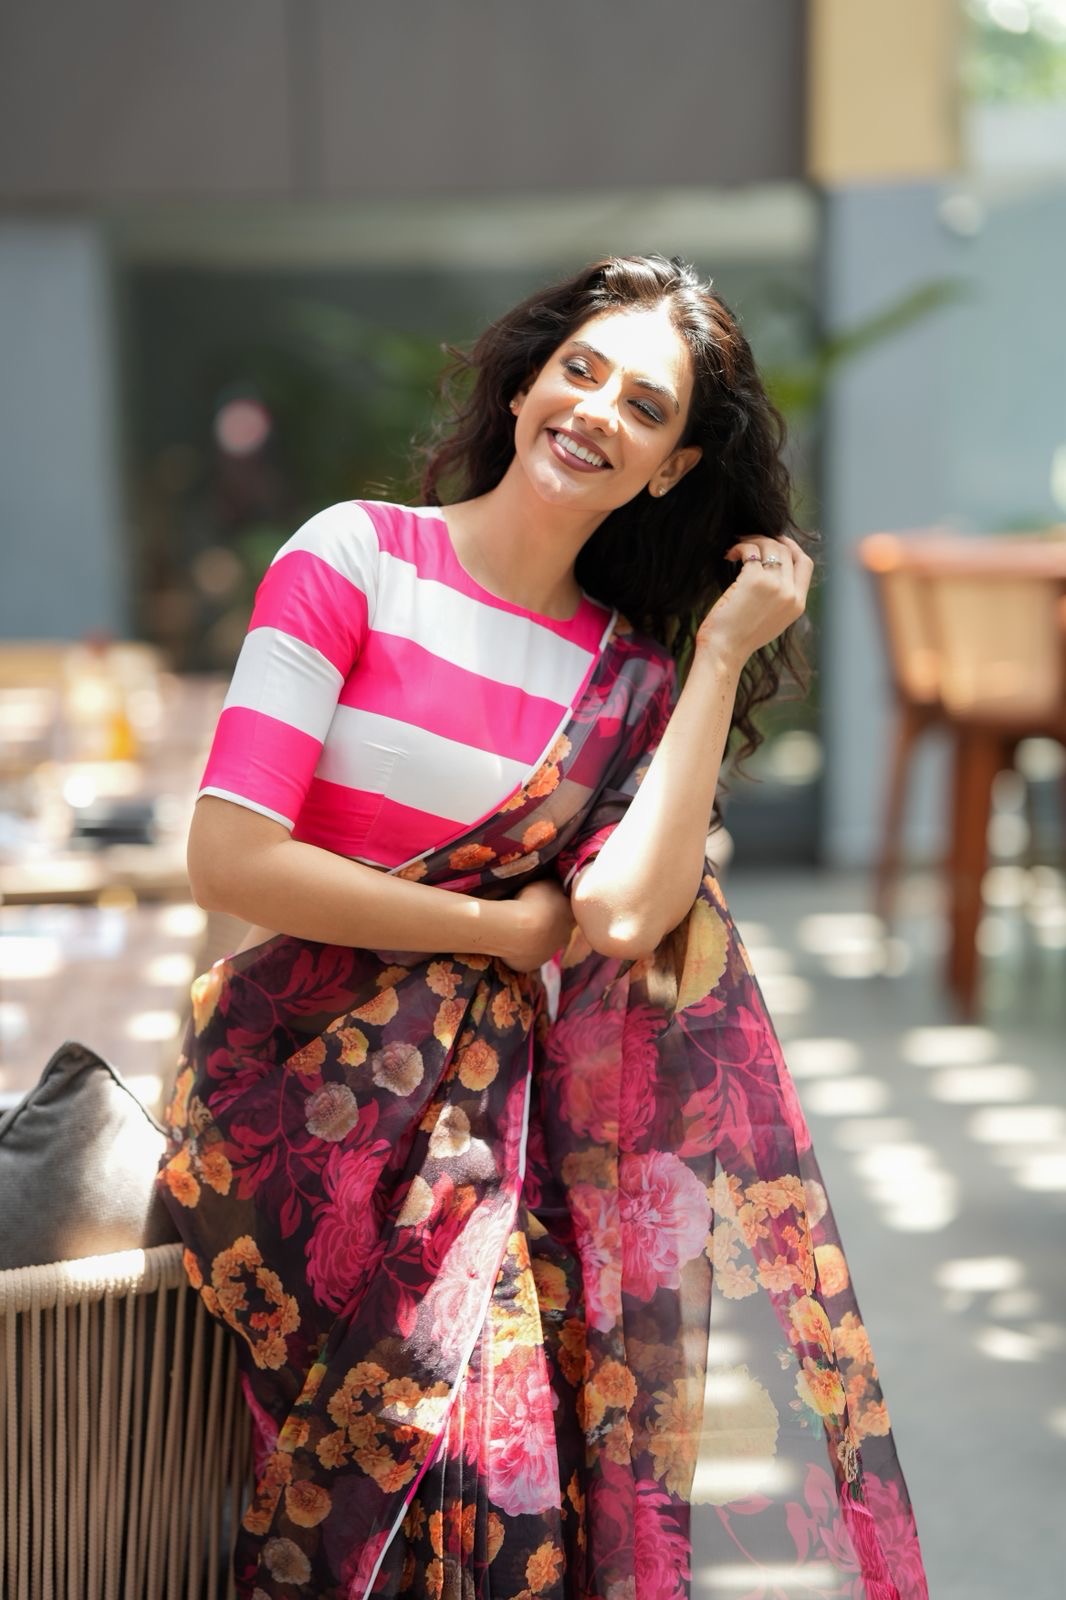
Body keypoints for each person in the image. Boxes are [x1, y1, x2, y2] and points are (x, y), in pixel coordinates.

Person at [157, 253, 929, 1600]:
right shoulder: (355, 557)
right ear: (523, 388)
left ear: (671, 468)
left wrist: (718, 657)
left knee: (504, 1519)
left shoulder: (628, 678)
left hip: (482, 1159)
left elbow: (623, 912)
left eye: (644, 406)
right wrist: (505, 936)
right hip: (286, 1120)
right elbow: (231, 856)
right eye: (580, 370)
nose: (596, 412)